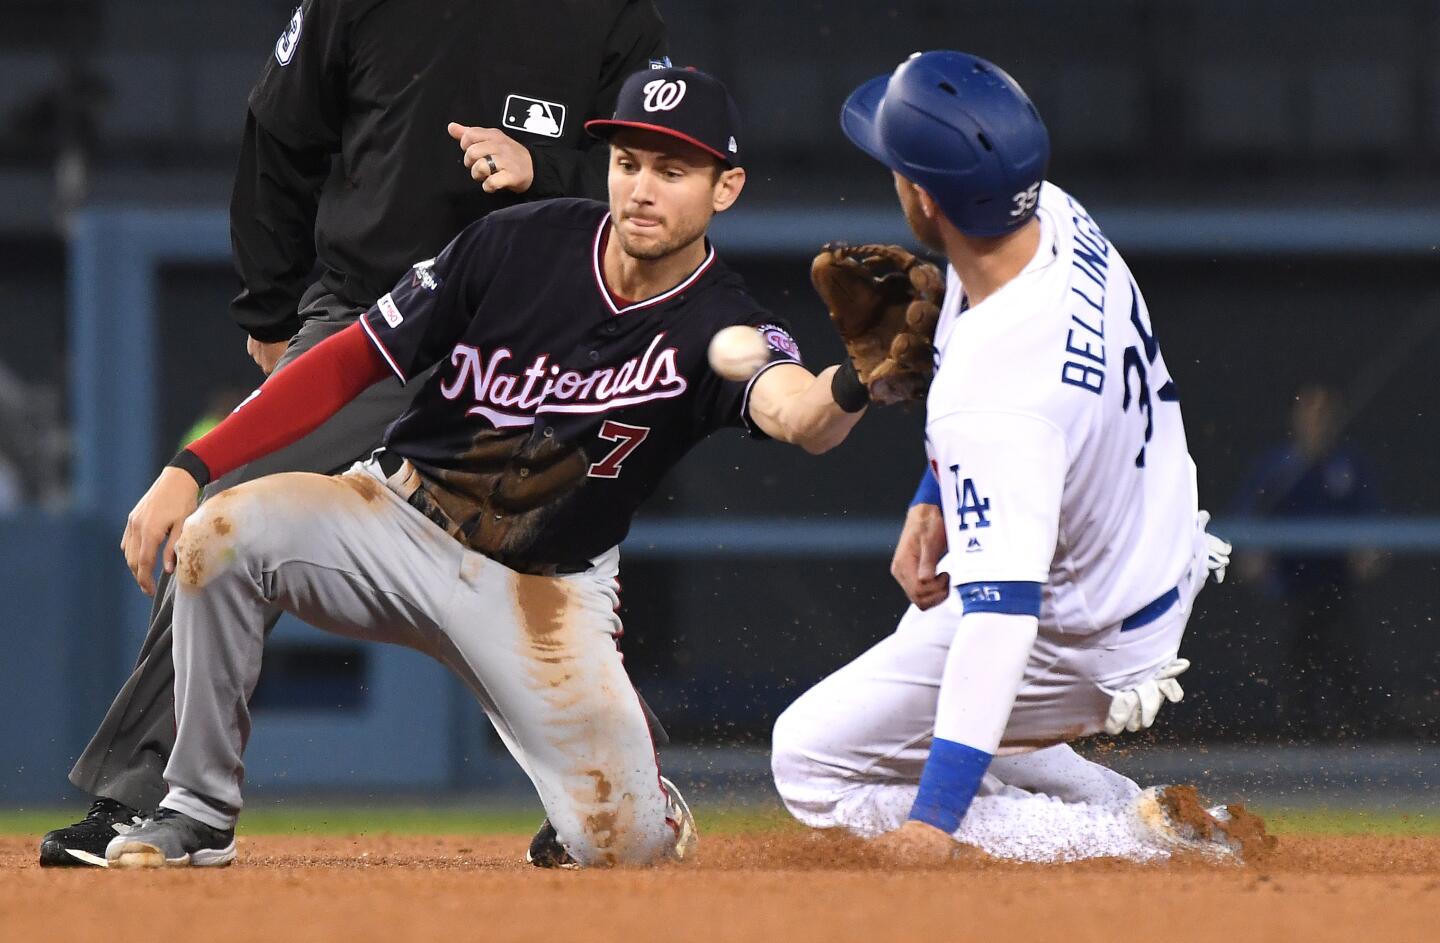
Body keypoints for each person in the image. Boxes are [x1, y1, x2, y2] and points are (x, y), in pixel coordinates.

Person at [102, 67, 873, 869]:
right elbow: (347, 361)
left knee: (624, 848)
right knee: (216, 537)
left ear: (728, 187)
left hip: (543, 593)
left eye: (672, 171)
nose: (642, 189)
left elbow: (801, 416)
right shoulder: (520, 240)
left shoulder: (726, 321)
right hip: (393, 520)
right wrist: (194, 463)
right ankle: (197, 810)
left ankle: (645, 809)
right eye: (628, 163)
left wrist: (856, 382)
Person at [41, 0, 670, 867]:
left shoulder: (612, 14)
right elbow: (279, 131)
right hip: (368, 319)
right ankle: (150, 799)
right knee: (225, 516)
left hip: (529, 339)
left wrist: (551, 164)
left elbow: (659, 174)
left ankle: (607, 782)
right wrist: (270, 301)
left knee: (551, 563)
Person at [771, 51, 1242, 863]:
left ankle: (1125, 840)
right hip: (1148, 555)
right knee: (928, 689)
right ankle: (1148, 807)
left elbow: (1000, 622)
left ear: (924, 196)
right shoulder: (1052, 217)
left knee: (809, 759)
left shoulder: (995, 396)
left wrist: (934, 821)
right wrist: (935, 494)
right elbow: (977, 354)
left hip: (1084, 634)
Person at [1236, 383, 1382, 738]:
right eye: (1310, 413)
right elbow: (1249, 515)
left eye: (1324, 413)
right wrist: (1251, 554)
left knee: (1346, 656)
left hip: (1336, 582)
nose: (1317, 421)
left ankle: (1358, 735)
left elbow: (1370, 517)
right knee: (1295, 659)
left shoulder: (1348, 463)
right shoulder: (1279, 465)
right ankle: (1297, 736)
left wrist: (1369, 550)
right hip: (1290, 584)